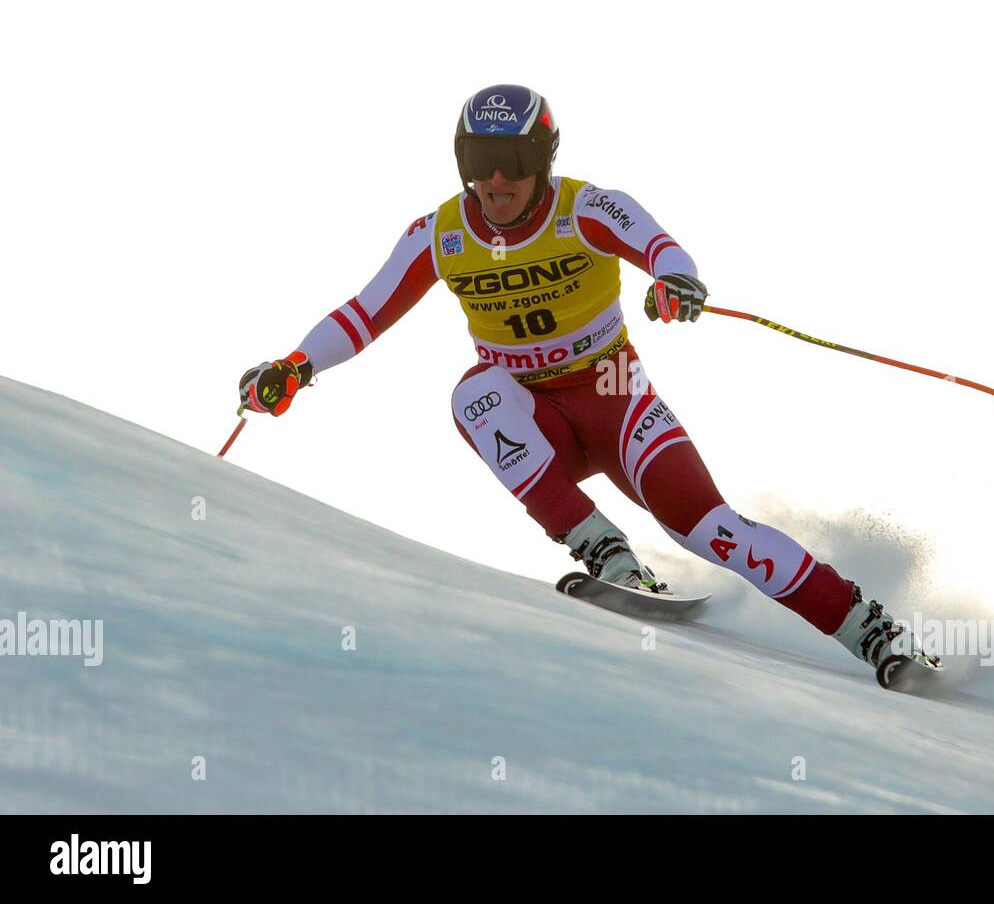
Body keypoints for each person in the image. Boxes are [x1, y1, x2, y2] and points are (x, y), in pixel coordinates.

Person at [239, 84, 912, 673]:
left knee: (712, 531)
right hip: (534, 416)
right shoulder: (440, 233)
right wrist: (294, 369)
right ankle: (605, 551)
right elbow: (364, 312)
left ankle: (874, 634)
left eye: (515, 162)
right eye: (478, 162)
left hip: (615, 400)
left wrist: (675, 283)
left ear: (545, 160)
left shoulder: (583, 208)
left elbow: (661, 247)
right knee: (476, 393)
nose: (496, 181)